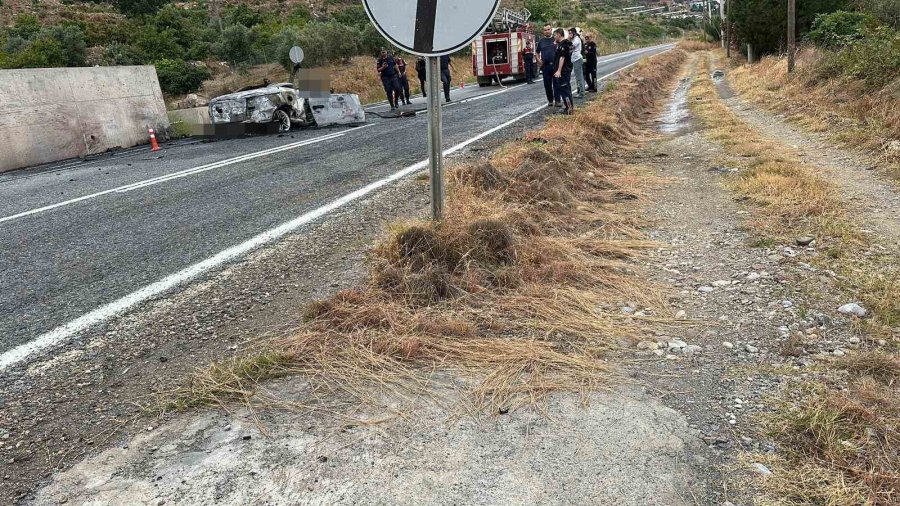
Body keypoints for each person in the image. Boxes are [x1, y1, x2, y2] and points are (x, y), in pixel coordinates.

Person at [535, 24, 560, 108]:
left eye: (548, 29)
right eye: (545, 30)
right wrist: (539, 60)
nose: (547, 31)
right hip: (545, 67)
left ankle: (557, 101)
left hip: (555, 66)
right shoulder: (541, 41)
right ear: (543, 31)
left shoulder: (555, 40)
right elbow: (537, 52)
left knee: (556, 83)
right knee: (547, 85)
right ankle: (550, 100)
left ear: (551, 30)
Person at [552, 28, 574, 114]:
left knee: (564, 89)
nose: (554, 37)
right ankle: (568, 107)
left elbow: (562, 57)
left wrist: (559, 71)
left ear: (559, 34)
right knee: (565, 89)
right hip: (565, 70)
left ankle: (569, 109)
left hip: (563, 71)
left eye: (555, 35)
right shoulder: (562, 44)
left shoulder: (564, 44)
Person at [569, 27, 586, 98]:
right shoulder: (575, 39)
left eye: (570, 33)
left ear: (574, 33)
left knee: (579, 77)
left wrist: (568, 39)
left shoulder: (576, 39)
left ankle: (582, 92)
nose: (569, 35)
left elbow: (570, 47)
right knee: (578, 76)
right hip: (575, 59)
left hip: (577, 59)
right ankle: (582, 91)